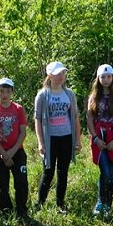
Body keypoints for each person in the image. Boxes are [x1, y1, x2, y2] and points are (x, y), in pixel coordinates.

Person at [34, 61, 81, 212]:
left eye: (63, 73)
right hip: (50, 139)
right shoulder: (42, 95)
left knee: (63, 172)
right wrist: (41, 142)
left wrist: (78, 139)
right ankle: (39, 204)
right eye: (57, 73)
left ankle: (60, 204)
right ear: (49, 75)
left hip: (66, 137)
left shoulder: (69, 94)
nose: (61, 76)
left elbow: (75, 117)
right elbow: (38, 119)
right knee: (48, 172)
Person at [86, 64, 113, 217]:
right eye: (102, 77)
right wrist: (95, 138)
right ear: (98, 78)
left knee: (112, 173)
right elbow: (89, 120)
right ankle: (100, 202)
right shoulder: (93, 97)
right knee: (105, 171)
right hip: (99, 136)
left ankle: (108, 204)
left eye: (108, 76)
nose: (106, 79)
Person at [0, 77, 30, 223]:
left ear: (12, 92)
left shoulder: (18, 109)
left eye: (7, 91)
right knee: (2, 183)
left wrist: (12, 152)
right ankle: (6, 212)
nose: (4, 94)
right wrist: (3, 154)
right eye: (1, 91)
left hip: (17, 152)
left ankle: (22, 211)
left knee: (21, 181)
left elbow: (22, 132)